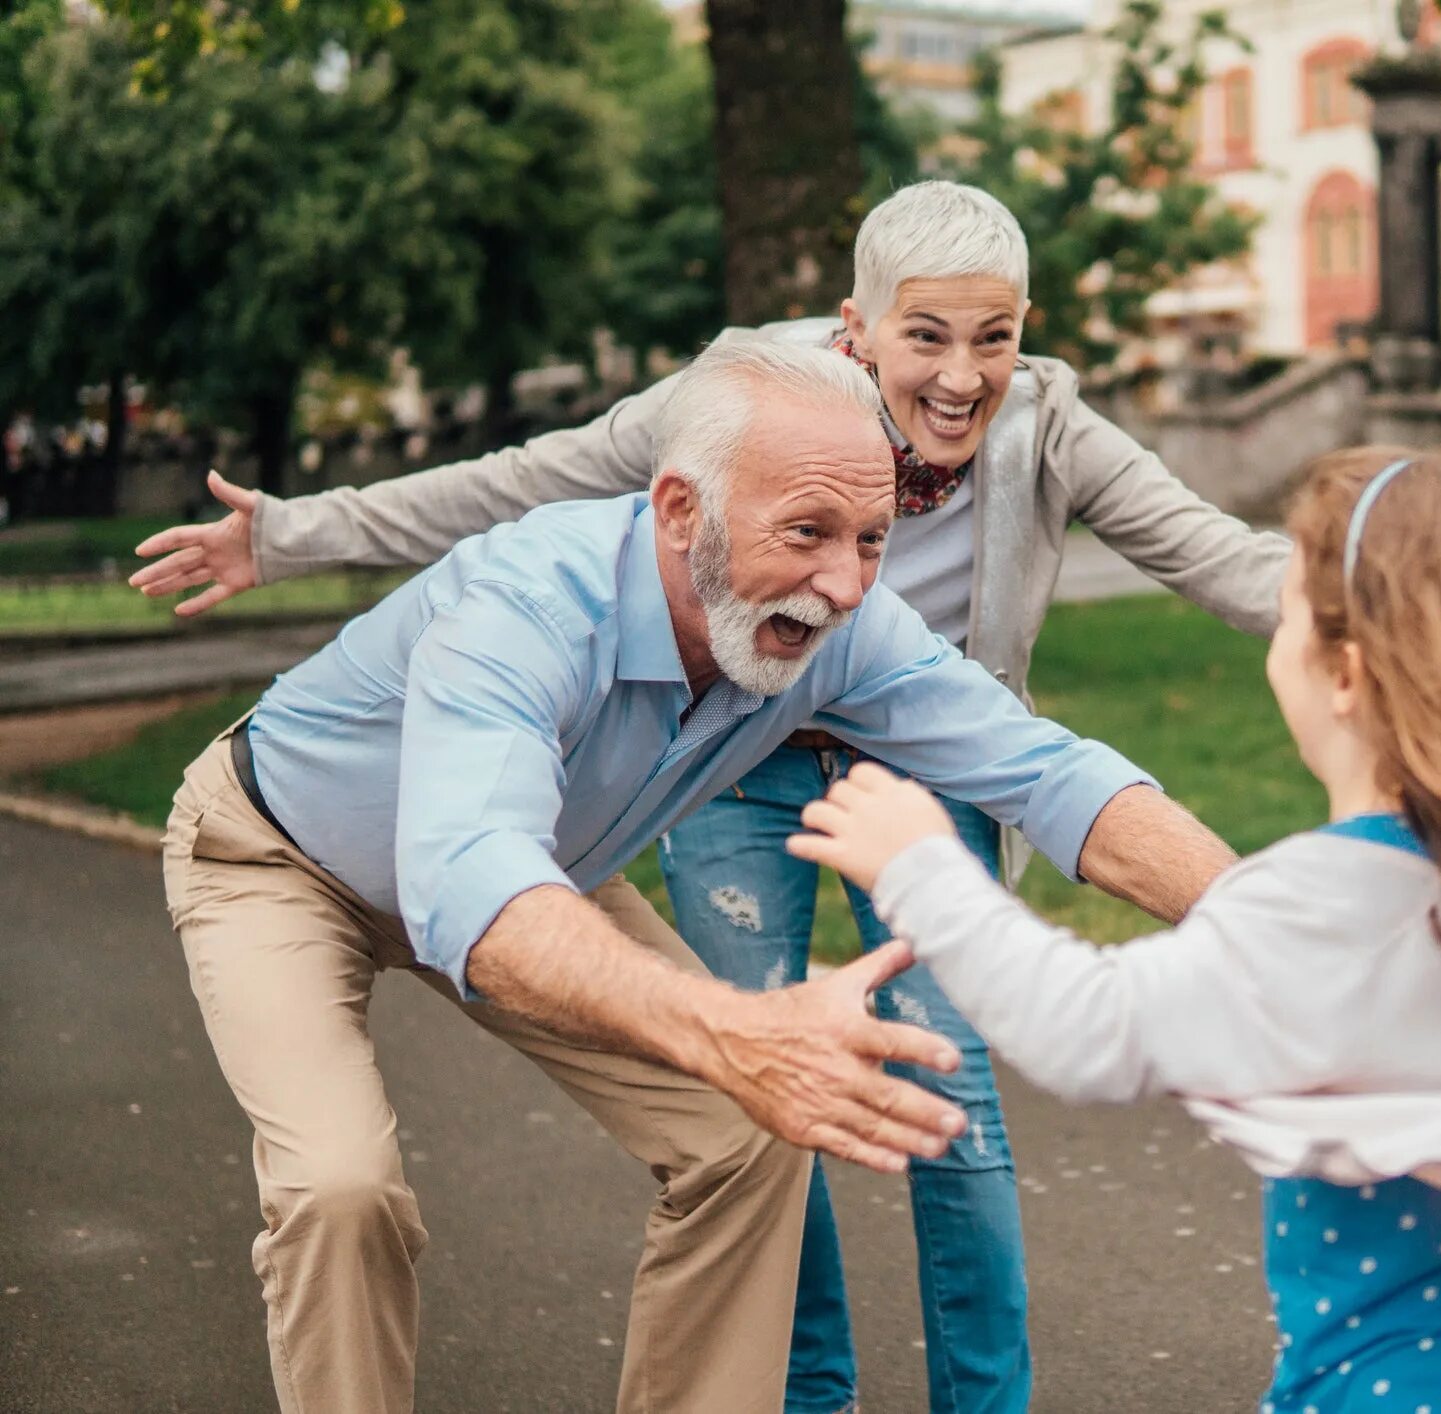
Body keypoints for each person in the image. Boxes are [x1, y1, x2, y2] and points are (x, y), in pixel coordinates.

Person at [130, 180, 1289, 1414]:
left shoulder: (849, 615)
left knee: (748, 1137)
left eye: (875, 540)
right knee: (340, 1187)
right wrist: (739, 1032)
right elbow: (471, 880)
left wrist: (1265, 923)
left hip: (539, 872)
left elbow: (1051, 773)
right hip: (282, 856)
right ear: (680, 511)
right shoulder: (526, 604)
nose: (845, 586)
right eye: (805, 536)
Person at [790, 446, 1441, 1414]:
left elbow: (1088, 1029)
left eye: (1289, 606)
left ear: (1346, 673)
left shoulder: (1317, 906)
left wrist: (924, 867)